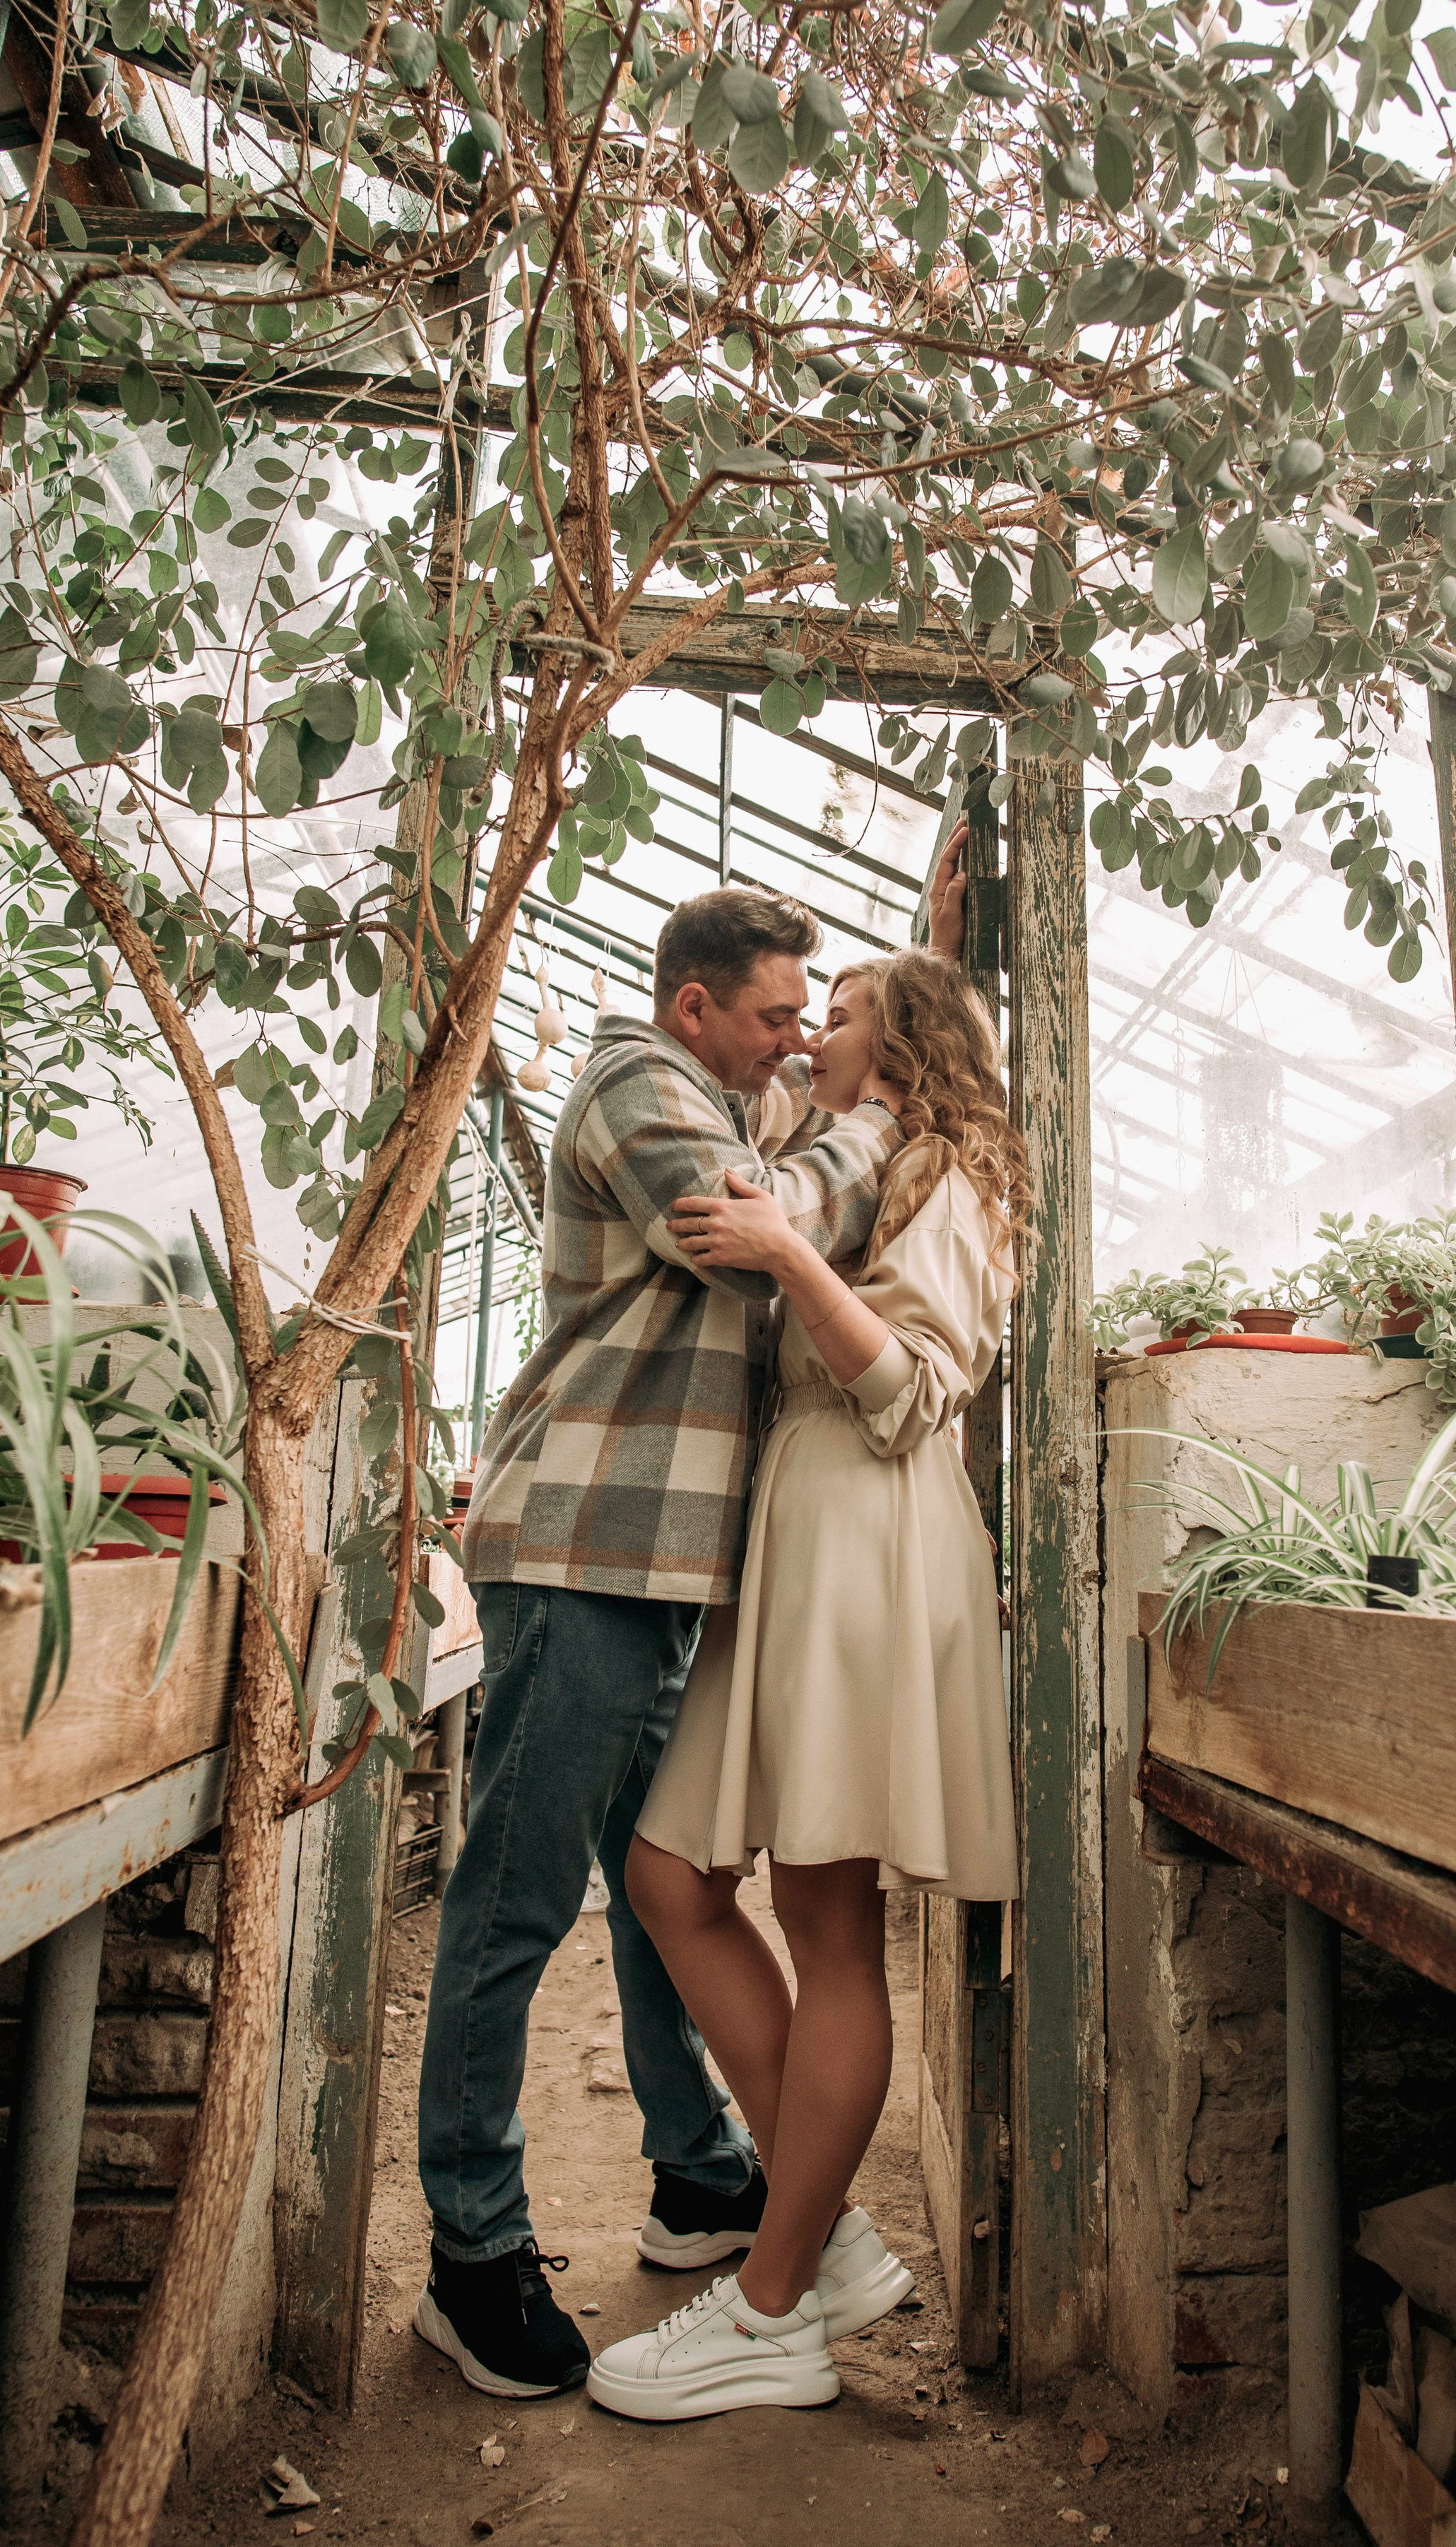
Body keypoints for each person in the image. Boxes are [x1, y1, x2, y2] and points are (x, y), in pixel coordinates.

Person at [413, 853, 968, 2404]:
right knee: (515, 1905)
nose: (801, 1040)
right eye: (783, 1014)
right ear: (694, 1006)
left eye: (819, 1016)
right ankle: (471, 2253)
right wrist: (884, 1101)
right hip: (585, 1548)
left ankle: (700, 2172)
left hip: (678, 1574)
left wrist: (926, 971)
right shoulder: (632, 1084)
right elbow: (752, 1217)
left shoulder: (736, 1094)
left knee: (663, 1888)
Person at [583, 945, 1024, 2423]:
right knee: (669, 1875)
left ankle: (771, 2309)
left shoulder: (951, 1175)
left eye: (829, 1021)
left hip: (867, 1539)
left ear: (895, 1052)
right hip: (802, 1533)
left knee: (832, 1925)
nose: (805, 1042)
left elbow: (916, 1392)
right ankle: (815, 2243)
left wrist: (786, 1259)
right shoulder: (864, 1162)